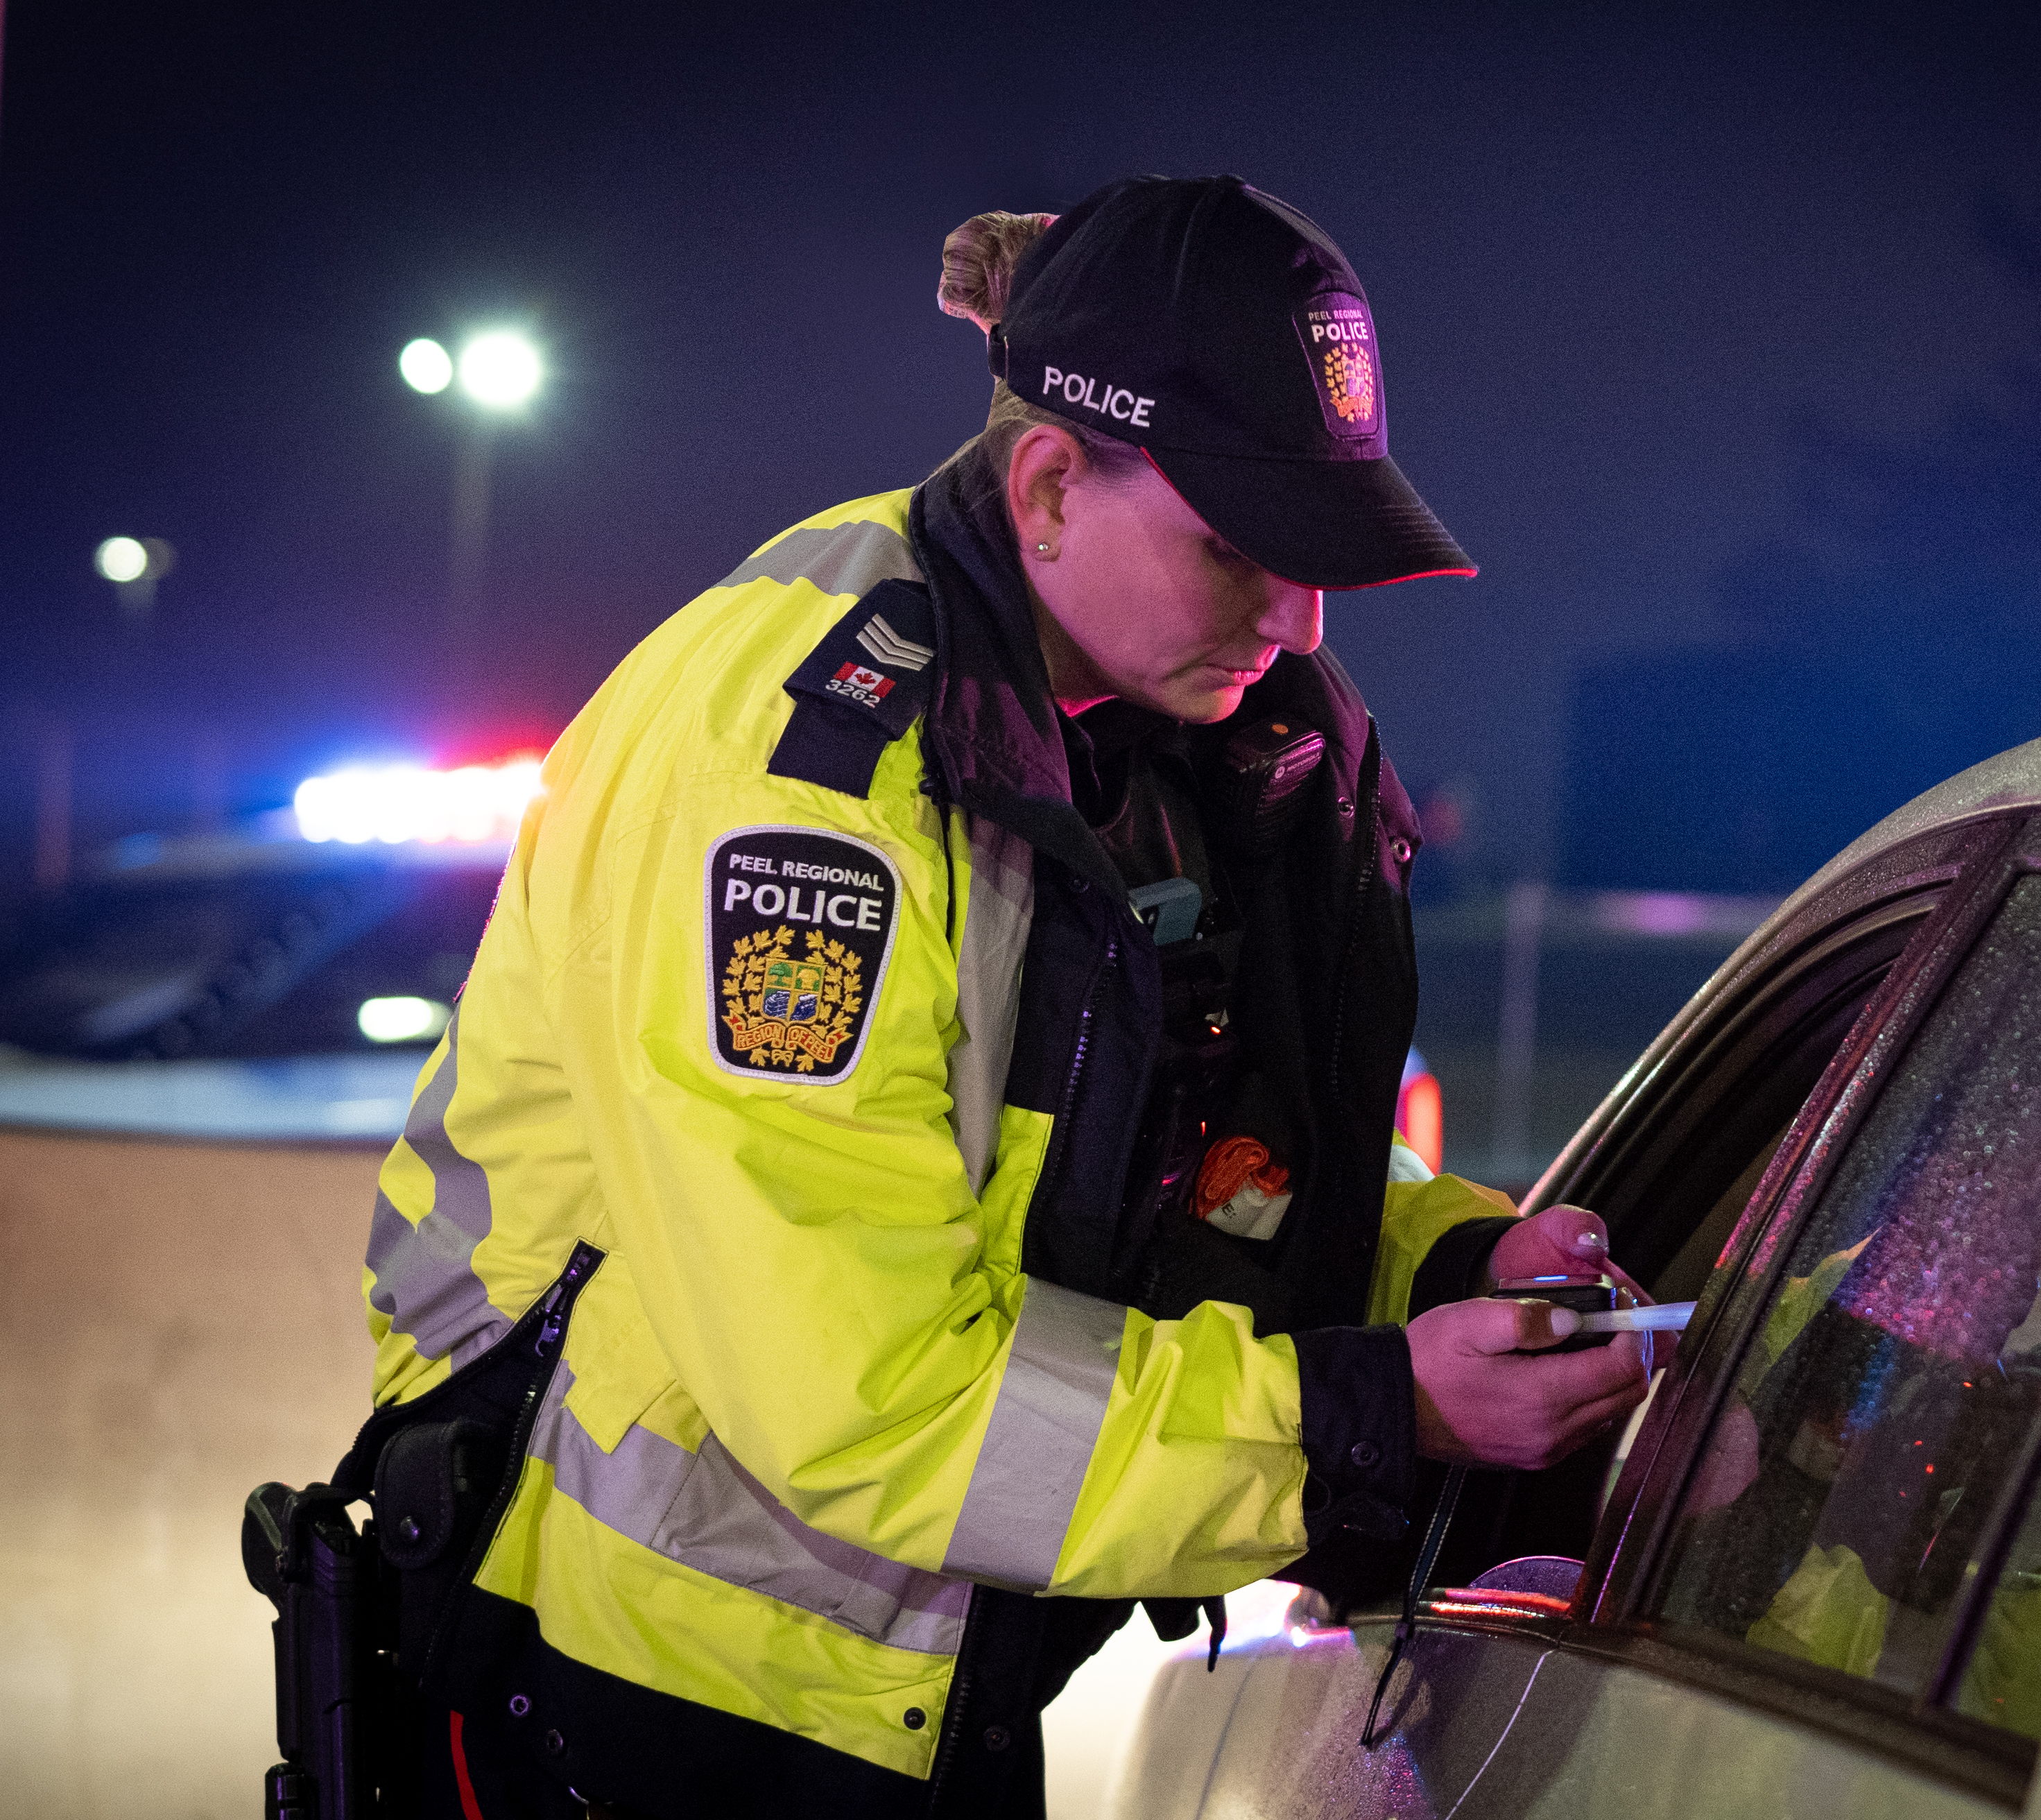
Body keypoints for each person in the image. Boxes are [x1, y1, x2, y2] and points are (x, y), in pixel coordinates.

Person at [350, 175, 1655, 1819]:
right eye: (1240, 547)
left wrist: (1442, 1260)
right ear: (1048, 486)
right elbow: (868, 1392)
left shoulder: (1138, 735)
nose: (1299, 618)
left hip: (916, 1672)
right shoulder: (804, 773)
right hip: (636, 1695)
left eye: (1317, 557)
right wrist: (1376, 1416)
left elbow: (1161, 1159)